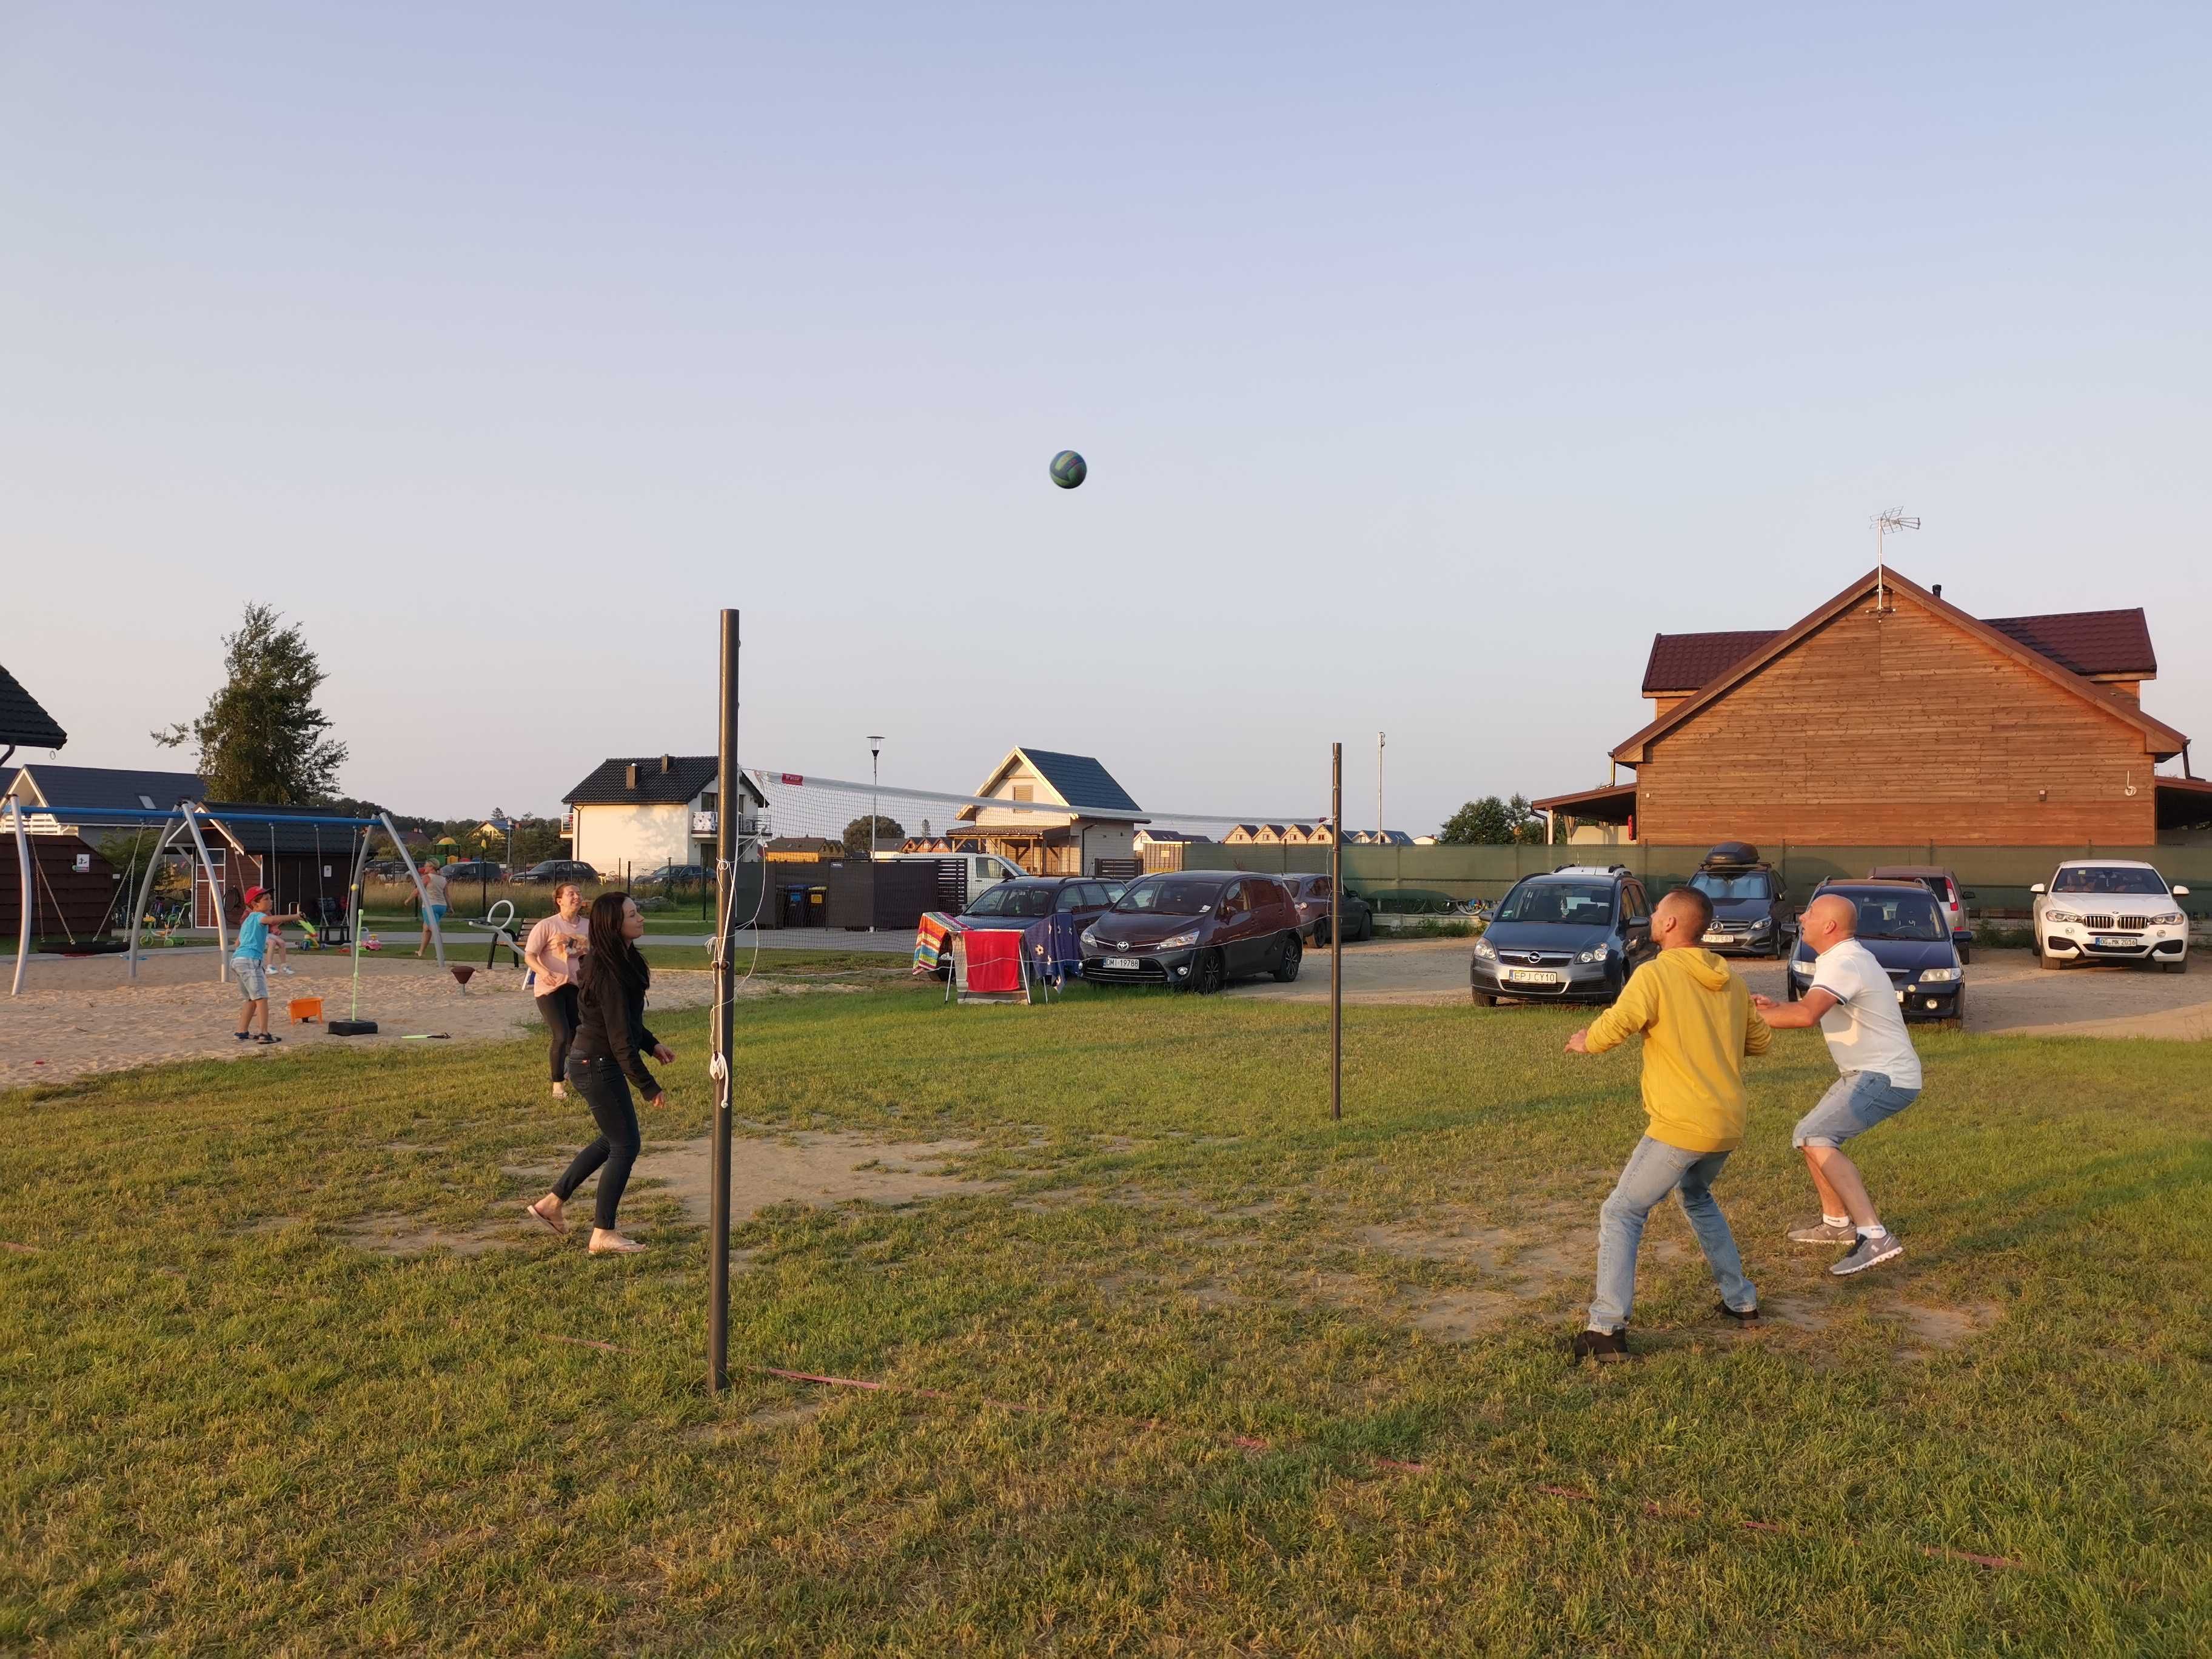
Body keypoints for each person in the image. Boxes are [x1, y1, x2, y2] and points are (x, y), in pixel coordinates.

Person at [1563, 888, 1772, 1361]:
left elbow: (1619, 1023)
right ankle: (1741, 1301)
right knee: (1696, 1196)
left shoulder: (1655, 974)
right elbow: (1758, 1043)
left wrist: (1585, 1041)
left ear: (1673, 924)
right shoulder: (1733, 981)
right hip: (1727, 1122)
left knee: (1621, 1212)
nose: (1653, 917)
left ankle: (1606, 1329)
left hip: (1682, 1122)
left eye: (1658, 912)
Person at [1752, 893, 1921, 1276]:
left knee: (1815, 1136)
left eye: (1810, 913)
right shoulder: (1843, 959)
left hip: (1884, 1076)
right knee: (1808, 1136)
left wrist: (1742, 1018)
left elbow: (1806, 1016)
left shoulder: (1844, 961)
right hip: (1869, 1073)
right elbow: (1804, 1009)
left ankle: (1875, 1236)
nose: (1803, 917)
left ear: (1829, 926)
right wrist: (1772, 1008)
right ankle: (1836, 1225)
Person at [523, 893, 673, 1255]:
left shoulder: (620, 960)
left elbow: (624, 1022)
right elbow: (620, 1040)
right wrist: (648, 1086)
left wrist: (651, 1044)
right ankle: (603, 1233)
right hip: (596, 1064)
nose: (641, 919)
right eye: (633, 915)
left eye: (638, 913)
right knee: (626, 1144)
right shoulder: (607, 970)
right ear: (613, 924)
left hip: (592, 1061)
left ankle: (551, 1205)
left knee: (613, 1139)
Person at [522, 883, 591, 1100]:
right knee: (561, 1035)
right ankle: (558, 1086)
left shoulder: (588, 926)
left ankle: (577, 1074)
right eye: (571, 894)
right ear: (559, 900)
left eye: (579, 893)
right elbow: (529, 956)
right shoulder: (547, 926)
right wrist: (543, 971)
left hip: (576, 987)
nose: (576, 897)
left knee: (579, 1034)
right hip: (550, 988)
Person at [232, 885, 304, 1044]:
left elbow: (238, 943)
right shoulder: (258, 916)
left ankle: (241, 1032)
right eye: (266, 899)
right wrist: (295, 916)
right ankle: (264, 1034)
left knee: (251, 999)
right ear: (255, 905)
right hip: (250, 961)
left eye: (270, 898)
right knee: (262, 998)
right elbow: (271, 920)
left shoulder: (247, 922)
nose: (270, 901)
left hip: (237, 961)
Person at [415, 862, 449, 957]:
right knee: (426, 929)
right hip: (442, 906)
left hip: (430, 906)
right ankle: (421, 952)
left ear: (431, 867)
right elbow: (447, 895)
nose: (424, 868)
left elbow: (418, 890)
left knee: (435, 929)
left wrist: (408, 900)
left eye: (426, 866)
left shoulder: (428, 877)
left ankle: (441, 954)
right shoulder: (443, 879)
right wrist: (450, 907)